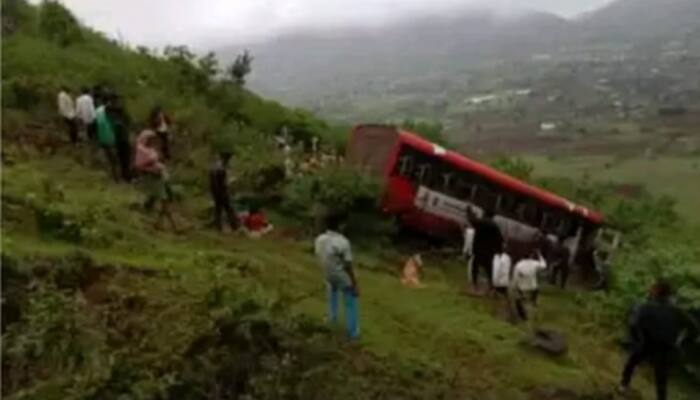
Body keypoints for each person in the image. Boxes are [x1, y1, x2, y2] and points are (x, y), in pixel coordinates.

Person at [619, 280, 684, 400]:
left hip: (647, 343)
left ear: (655, 291)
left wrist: (636, 339)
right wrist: (679, 341)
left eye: (652, 288)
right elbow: (693, 328)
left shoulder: (646, 307)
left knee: (632, 362)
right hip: (665, 347)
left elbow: (634, 324)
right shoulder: (677, 311)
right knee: (661, 379)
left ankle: (623, 385)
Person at [314, 212, 359, 339]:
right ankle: (352, 332)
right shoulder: (343, 242)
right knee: (351, 301)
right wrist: (354, 283)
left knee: (331, 297)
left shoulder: (320, 239)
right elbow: (348, 265)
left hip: (328, 273)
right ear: (340, 225)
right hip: (341, 275)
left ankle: (331, 319)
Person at [134, 129, 178, 231]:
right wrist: (151, 169)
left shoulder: (151, 150)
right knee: (164, 200)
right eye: (150, 139)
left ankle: (160, 224)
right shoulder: (141, 150)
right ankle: (174, 225)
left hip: (160, 177)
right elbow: (139, 166)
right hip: (152, 178)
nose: (152, 141)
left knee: (165, 200)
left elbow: (156, 160)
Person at [470, 208, 504, 294]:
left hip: (478, 249)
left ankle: (474, 286)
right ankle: (491, 287)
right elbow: (499, 240)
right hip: (489, 251)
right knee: (489, 269)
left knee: (475, 267)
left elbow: (472, 221)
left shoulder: (480, 222)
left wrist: (469, 212)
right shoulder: (495, 226)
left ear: (484, 213)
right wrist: (499, 251)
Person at [511, 249, 547, 322]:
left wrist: (514, 287)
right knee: (532, 302)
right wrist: (540, 256)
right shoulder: (534, 263)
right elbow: (544, 266)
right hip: (533, 287)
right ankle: (533, 314)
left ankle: (523, 317)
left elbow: (515, 277)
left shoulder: (519, 265)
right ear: (531, 256)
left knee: (518, 301)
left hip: (522, 288)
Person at [209, 152, 239, 232]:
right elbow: (224, 183)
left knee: (218, 210)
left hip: (216, 194)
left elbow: (212, 184)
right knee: (229, 209)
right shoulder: (221, 170)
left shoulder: (212, 170)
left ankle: (218, 227)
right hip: (223, 193)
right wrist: (230, 181)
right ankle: (235, 226)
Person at [106, 94, 133, 182]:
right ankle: (125, 176)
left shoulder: (117, 111)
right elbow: (127, 121)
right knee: (123, 158)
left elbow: (128, 121)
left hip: (121, 137)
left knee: (124, 158)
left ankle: (125, 175)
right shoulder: (112, 111)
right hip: (119, 137)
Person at [94, 94, 120, 181]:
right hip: (111, 138)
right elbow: (115, 125)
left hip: (102, 137)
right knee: (114, 159)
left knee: (110, 158)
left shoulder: (97, 110)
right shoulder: (111, 111)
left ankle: (113, 175)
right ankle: (116, 177)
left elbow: (95, 124)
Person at [492, 242, 513, 318]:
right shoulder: (508, 257)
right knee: (506, 296)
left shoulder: (498, 258)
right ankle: (509, 311)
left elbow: (497, 271)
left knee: (499, 297)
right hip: (505, 280)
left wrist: (494, 282)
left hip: (499, 281)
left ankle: (501, 313)